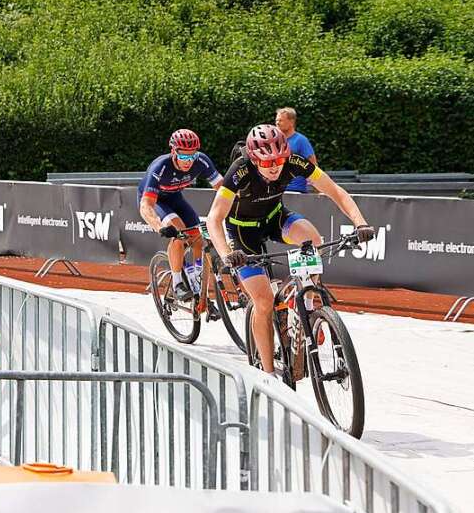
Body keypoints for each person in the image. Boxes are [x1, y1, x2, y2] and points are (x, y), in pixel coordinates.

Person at [205, 124, 374, 377]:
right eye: (267, 162)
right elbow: (214, 219)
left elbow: (335, 192)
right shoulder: (240, 171)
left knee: (313, 238)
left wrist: (360, 222)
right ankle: (268, 375)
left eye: (279, 160)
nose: (274, 167)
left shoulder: (294, 162)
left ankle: (307, 305)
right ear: (253, 159)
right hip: (243, 233)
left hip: (276, 218)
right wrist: (227, 254)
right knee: (263, 302)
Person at [138, 129, 223, 302]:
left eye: (192, 156)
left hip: (175, 197)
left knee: (199, 239)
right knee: (179, 232)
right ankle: (177, 284)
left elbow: (222, 189)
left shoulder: (202, 161)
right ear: (173, 152)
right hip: (157, 201)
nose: (188, 162)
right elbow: (146, 205)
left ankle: (198, 287)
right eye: (184, 157)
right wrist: (160, 227)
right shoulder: (160, 167)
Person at [275, 107, 317, 193]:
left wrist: (318, 189)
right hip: (276, 190)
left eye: (280, 120)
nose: (277, 123)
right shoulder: (274, 141)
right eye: (276, 120)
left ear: (291, 122)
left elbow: (313, 165)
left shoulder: (301, 140)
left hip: (295, 191)